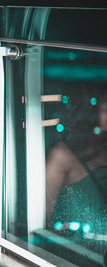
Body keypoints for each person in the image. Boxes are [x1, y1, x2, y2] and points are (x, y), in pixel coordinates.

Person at [46, 97, 107, 254]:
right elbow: (41, 222)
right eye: (104, 106)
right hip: (87, 250)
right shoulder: (62, 157)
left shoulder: (101, 150)